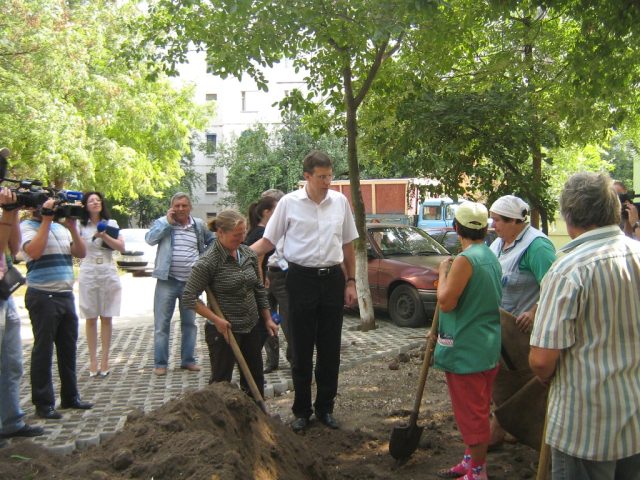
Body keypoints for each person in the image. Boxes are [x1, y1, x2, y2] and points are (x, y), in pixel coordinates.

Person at [530, 172, 640, 480]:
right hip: (635, 414)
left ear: (569, 215)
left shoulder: (568, 269)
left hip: (586, 425)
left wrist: (544, 375)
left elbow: (541, 360)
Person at [250, 151, 358, 431]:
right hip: (300, 280)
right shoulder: (288, 203)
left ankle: (326, 408)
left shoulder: (340, 202)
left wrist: (351, 281)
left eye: (330, 176)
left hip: (333, 279)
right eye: (322, 177)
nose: (327, 181)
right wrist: (237, 255)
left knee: (330, 348)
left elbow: (348, 244)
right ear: (307, 177)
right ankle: (301, 411)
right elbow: (267, 241)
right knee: (300, 348)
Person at [434, 202, 502, 480]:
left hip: (466, 351)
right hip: (486, 347)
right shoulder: (489, 254)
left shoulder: (465, 260)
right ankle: (469, 460)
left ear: (456, 228)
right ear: (485, 229)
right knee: (479, 408)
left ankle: (477, 471)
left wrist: (442, 273)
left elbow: (447, 302)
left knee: (471, 415)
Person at [182, 210, 278, 399]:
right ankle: (221, 423)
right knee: (221, 382)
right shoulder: (208, 262)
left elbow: (258, 288)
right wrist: (216, 320)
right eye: (236, 235)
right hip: (223, 332)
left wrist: (267, 318)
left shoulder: (247, 254)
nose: (241, 239)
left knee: (254, 378)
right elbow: (189, 298)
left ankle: (256, 421)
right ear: (221, 233)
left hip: (251, 326)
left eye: (243, 233)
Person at [487, 195, 556, 450]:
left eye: (497, 220)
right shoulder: (499, 244)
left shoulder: (537, 247)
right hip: (500, 329)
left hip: (524, 333)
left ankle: (501, 432)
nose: (493, 224)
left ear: (515, 221)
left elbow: (554, 286)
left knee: (520, 383)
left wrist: (535, 310)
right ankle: (505, 428)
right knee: (502, 380)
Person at [21, 197, 92, 420]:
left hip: (65, 294)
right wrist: (46, 221)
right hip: (42, 295)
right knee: (43, 351)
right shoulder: (26, 227)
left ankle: (70, 397)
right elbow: (33, 252)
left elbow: (81, 252)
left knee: (68, 349)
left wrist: (72, 229)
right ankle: (43, 403)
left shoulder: (61, 229)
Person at [145, 192, 216, 376]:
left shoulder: (198, 225)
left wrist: (202, 259)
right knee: (162, 325)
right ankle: (161, 364)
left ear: (190, 207)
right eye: (176, 206)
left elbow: (213, 241)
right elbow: (150, 239)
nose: (180, 209)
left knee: (189, 323)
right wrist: (167, 223)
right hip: (167, 281)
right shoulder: (164, 223)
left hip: (191, 283)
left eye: (184, 205)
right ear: (171, 208)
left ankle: (188, 361)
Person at [0, 188, 44, 446]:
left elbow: (14, 248)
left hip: (5, 294)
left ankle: (11, 422)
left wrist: (13, 212)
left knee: (12, 363)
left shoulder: (6, 211)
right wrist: (7, 213)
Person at [78, 191, 125, 377]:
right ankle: (93, 360)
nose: (96, 203)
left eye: (98, 200)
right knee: (90, 316)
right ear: (85, 205)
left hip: (107, 269)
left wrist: (104, 236)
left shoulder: (110, 223)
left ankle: (105, 360)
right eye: (91, 201)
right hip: (88, 269)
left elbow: (121, 247)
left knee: (107, 316)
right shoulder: (80, 225)